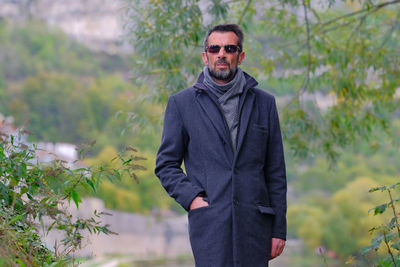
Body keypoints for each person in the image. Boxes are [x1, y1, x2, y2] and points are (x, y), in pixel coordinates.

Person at [155, 23, 287, 267]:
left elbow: (275, 172)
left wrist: (278, 228)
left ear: (241, 55)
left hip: (255, 228)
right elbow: (166, 165)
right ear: (205, 55)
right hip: (210, 225)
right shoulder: (181, 104)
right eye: (215, 48)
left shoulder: (265, 104)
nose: (222, 54)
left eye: (230, 48)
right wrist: (193, 198)